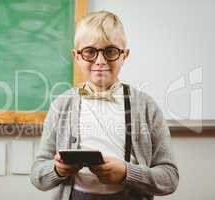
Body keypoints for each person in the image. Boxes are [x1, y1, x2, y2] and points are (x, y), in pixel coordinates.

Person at [30, 10, 179, 200]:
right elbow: (37, 176)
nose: (100, 61)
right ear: (76, 57)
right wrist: (57, 169)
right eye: (90, 52)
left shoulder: (146, 107)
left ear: (124, 55)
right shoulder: (61, 105)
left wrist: (127, 172)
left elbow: (170, 178)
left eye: (110, 51)